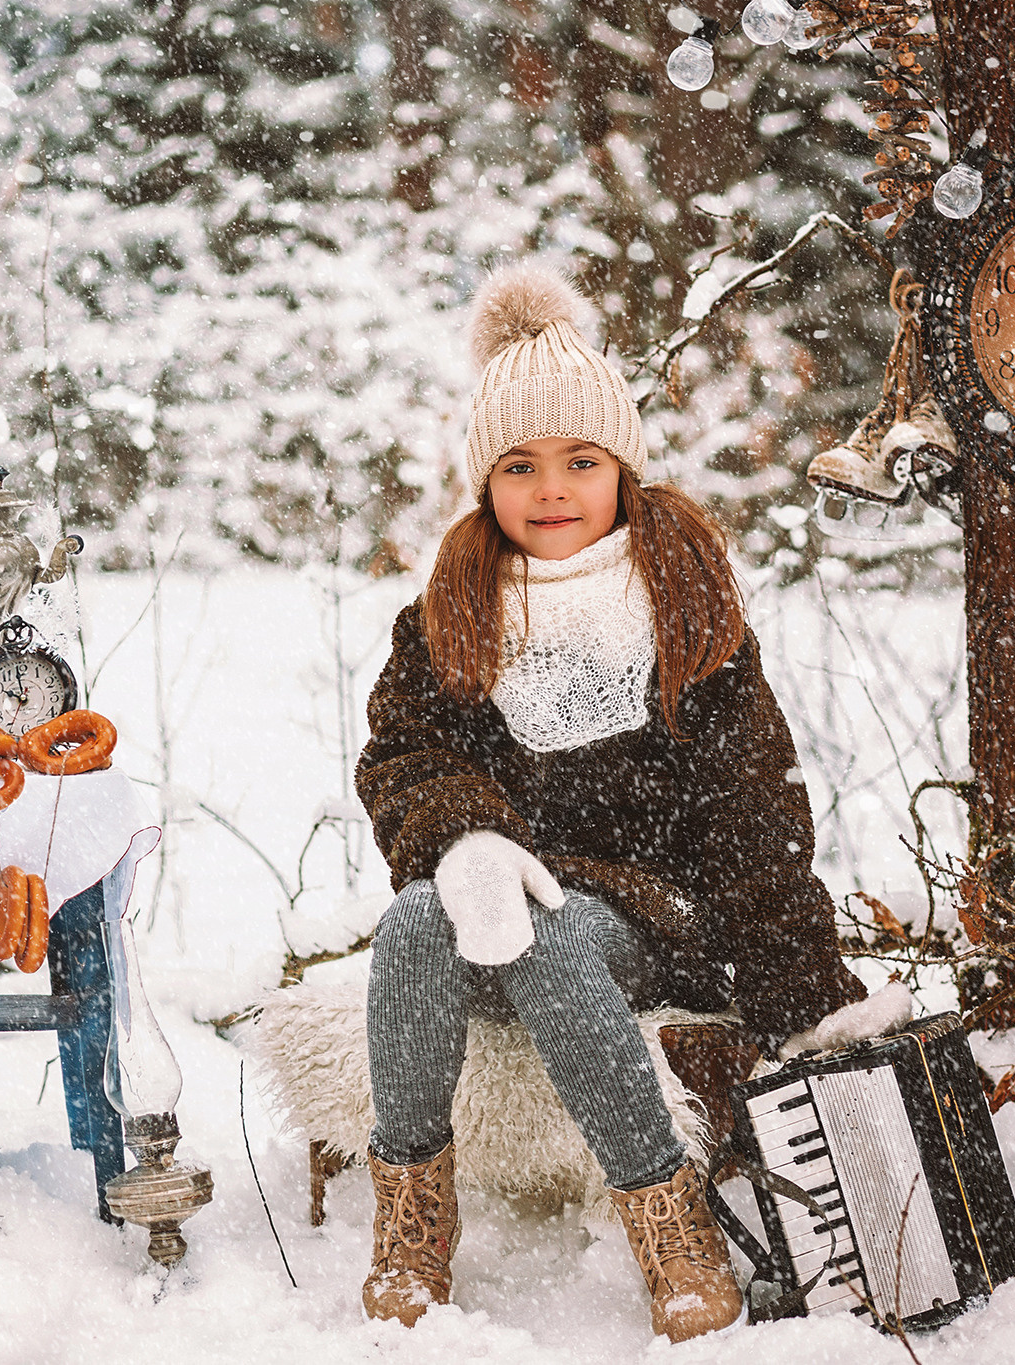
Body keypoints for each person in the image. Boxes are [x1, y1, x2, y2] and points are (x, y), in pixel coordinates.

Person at [354, 264, 897, 1343]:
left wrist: (800, 987)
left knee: (557, 943)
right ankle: (410, 1219)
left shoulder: (683, 604)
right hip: (493, 904)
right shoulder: (447, 611)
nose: (549, 488)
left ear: (621, 469)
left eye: (579, 461)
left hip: (653, 917)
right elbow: (402, 755)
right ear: (484, 482)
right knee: (412, 921)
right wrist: (464, 840)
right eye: (519, 464)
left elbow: (753, 808)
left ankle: (666, 1222)